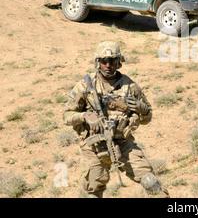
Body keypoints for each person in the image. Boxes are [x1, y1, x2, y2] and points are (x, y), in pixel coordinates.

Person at [62, 41, 169, 198]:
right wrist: (85, 116)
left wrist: (142, 109)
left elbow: (147, 119)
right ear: (97, 63)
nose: (108, 65)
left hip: (124, 144)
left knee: (151, 182)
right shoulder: (85, 85)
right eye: (104, 61)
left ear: (119, 62)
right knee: (93, 192)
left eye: (112, 61)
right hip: (95, 147)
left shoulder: (129, 86)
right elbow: (66, 115)